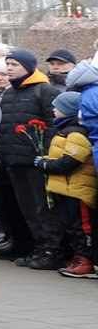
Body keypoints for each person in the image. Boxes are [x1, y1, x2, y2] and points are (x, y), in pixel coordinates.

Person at [0, 49, 63, 268]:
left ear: (28, 66)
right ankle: (39, 247)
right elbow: (3, 128)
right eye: (8, 64)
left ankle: (53, 250)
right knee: (28, 209)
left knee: (44, 209)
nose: (9, 68)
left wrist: (46, 155)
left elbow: (54, 125)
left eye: (14, 64)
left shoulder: (44, 90)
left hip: (37, 162)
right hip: (14, 162)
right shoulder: (9, 94)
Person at [41, 90, 97, 278]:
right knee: (71, 228)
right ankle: (78, 258)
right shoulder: (64, 131)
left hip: (77, 190)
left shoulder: (77, 134)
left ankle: (86, 261)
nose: (54, 110)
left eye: (58, 107)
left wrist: (45, 164)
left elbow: (71, 161)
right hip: (66, 189)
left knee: (81, 228)